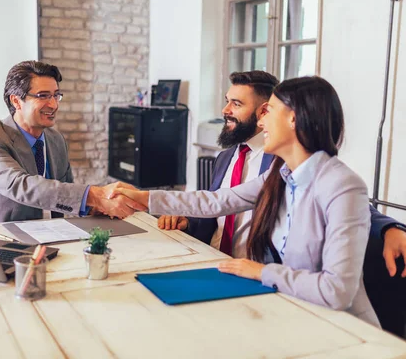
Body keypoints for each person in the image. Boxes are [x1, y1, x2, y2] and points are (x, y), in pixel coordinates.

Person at [111, 76, 380, 327]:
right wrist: (144, 197)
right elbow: (216, 201)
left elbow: (337, 292)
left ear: (294, 119)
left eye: (269, 112)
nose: (261, 123)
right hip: (295, 312)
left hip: (346, 328)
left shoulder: (343, 185)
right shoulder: (279, 175)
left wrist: (261, 272)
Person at [0, 60, 144, 223]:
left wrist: (94, 207)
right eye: (43, 96)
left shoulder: (56, 140)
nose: (53, 105)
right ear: (16, 101)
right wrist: (96, 196)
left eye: (56, 95)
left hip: (53, 237)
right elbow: (21, 185)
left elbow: (64, 192)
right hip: (4, 243)